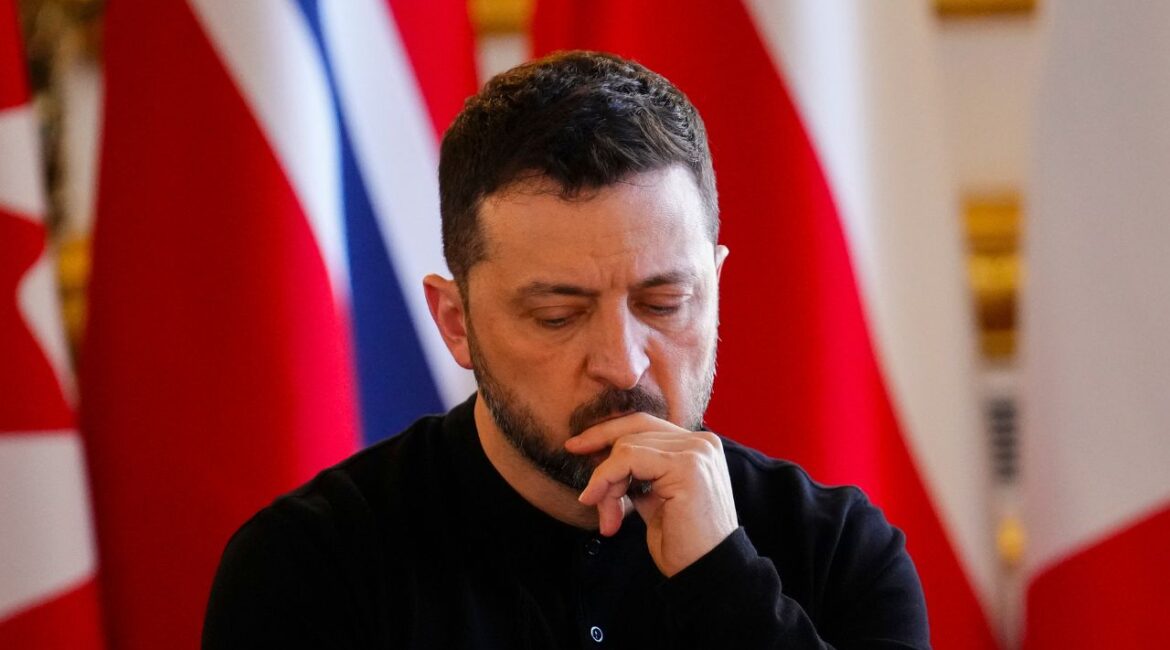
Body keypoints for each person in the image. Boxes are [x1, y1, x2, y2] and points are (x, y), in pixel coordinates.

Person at [202, 51, 929, 649]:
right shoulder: (309, 567)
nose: (623, 363)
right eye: (557, 315)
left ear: (716, 289)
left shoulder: (838, 555)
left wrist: (723, 582)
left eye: (663, 304)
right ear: (456, 322)